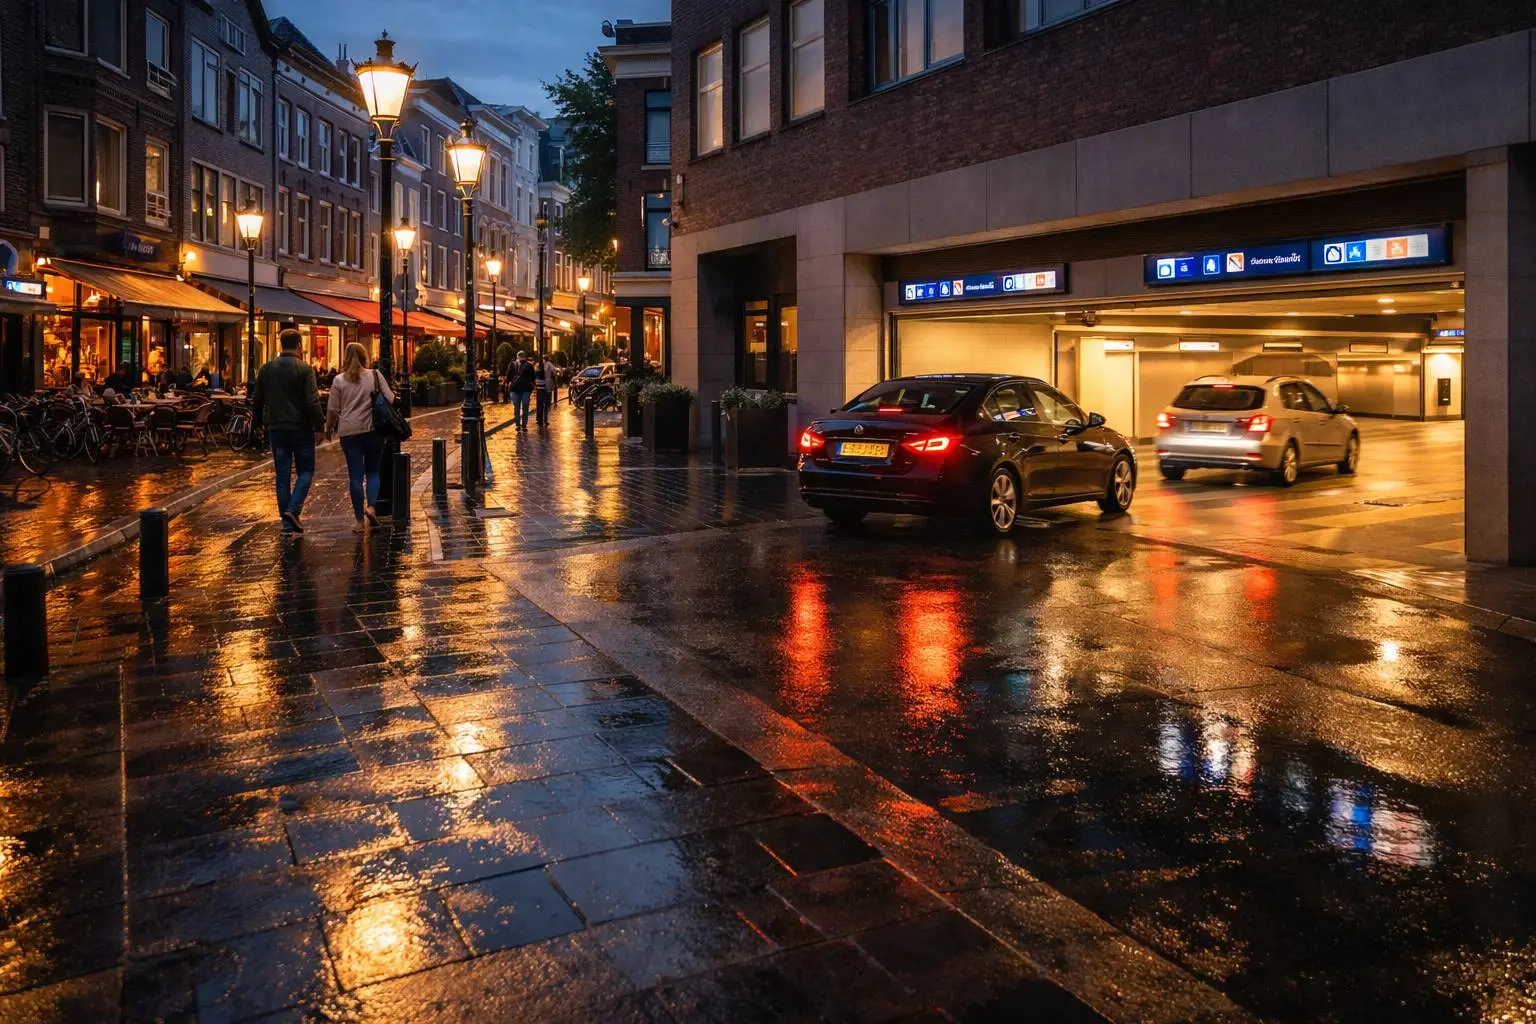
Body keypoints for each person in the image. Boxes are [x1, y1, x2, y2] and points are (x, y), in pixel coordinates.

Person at [252, 327, 324, 535]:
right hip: (300, 428)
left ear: (281, 344)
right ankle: (293, 510)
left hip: (276, 428)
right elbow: (312, 401)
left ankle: (286, 524)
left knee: (282, 476)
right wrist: (319, 426)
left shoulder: (266, 368)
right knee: (306, 471)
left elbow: (257, 399)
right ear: (299, 345)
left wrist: (257, 423)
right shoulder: (304, 369)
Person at [326, 342, 392, 532]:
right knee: (373, 472)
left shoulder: (339, 380)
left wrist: (328, 429)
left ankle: (359, 522)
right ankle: (371, 507)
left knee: (355, 476)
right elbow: (390, 398)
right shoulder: (375, 375)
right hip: (373, 430)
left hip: (349, 432)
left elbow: (333, 409)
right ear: (365, 357)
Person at [509, 350, 535, 430]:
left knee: (516, 407)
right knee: (525, 407)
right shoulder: (529, 365)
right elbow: (533, 377)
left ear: (517, 357)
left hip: (514, 389)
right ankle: (524, 425)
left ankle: (517, 424)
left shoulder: (512, 364)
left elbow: (508, 376)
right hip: (526, 389)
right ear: (525, 357)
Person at [535, 354, 557, 428]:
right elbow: (555, 374)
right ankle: (545, 420)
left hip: (539, 387)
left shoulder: (538, 365)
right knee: (546, 405)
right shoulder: (550, 365)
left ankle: (539, 420)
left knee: (539, 404)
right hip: (548, 387)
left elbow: (535, 375)